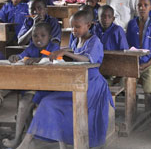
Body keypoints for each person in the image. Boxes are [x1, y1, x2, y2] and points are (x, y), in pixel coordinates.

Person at [17, 10, 113, 148]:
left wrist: (66, 52)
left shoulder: (94, 41)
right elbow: (71, 54)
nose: (74, 30)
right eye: (72, 27)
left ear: (89, 25)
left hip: (91, 86)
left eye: (77, 27)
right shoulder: (77, 39)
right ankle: (28, 142)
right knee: (45, 101)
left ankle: (28, 143)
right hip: (76, 81)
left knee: (50, 103)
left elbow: (88, 59)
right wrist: (60, 53)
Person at [4, 22, 60, 149]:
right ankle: (19, 138)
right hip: (33, 85)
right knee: (24, 103)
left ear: (49, 36)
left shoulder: (54, 47)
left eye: (42, 35)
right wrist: (15, 57)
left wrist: (39, 60)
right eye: (35, 36)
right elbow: (22, 56)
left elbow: (51, 60)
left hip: (50, 87)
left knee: (24, 104)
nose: (38, 38)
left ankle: (21, 138)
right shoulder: (31, 48)